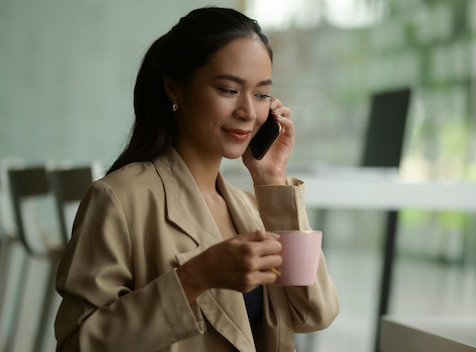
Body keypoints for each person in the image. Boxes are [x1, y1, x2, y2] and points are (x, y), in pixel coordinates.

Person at [54, 6, 339, 352]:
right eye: (228, 90)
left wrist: (272, 180)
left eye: (262, 94)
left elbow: (315, 313)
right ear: (175, 90)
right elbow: (76, 345)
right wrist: (194, 279)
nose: (248, 112)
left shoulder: (253, 208)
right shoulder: (119, 198)